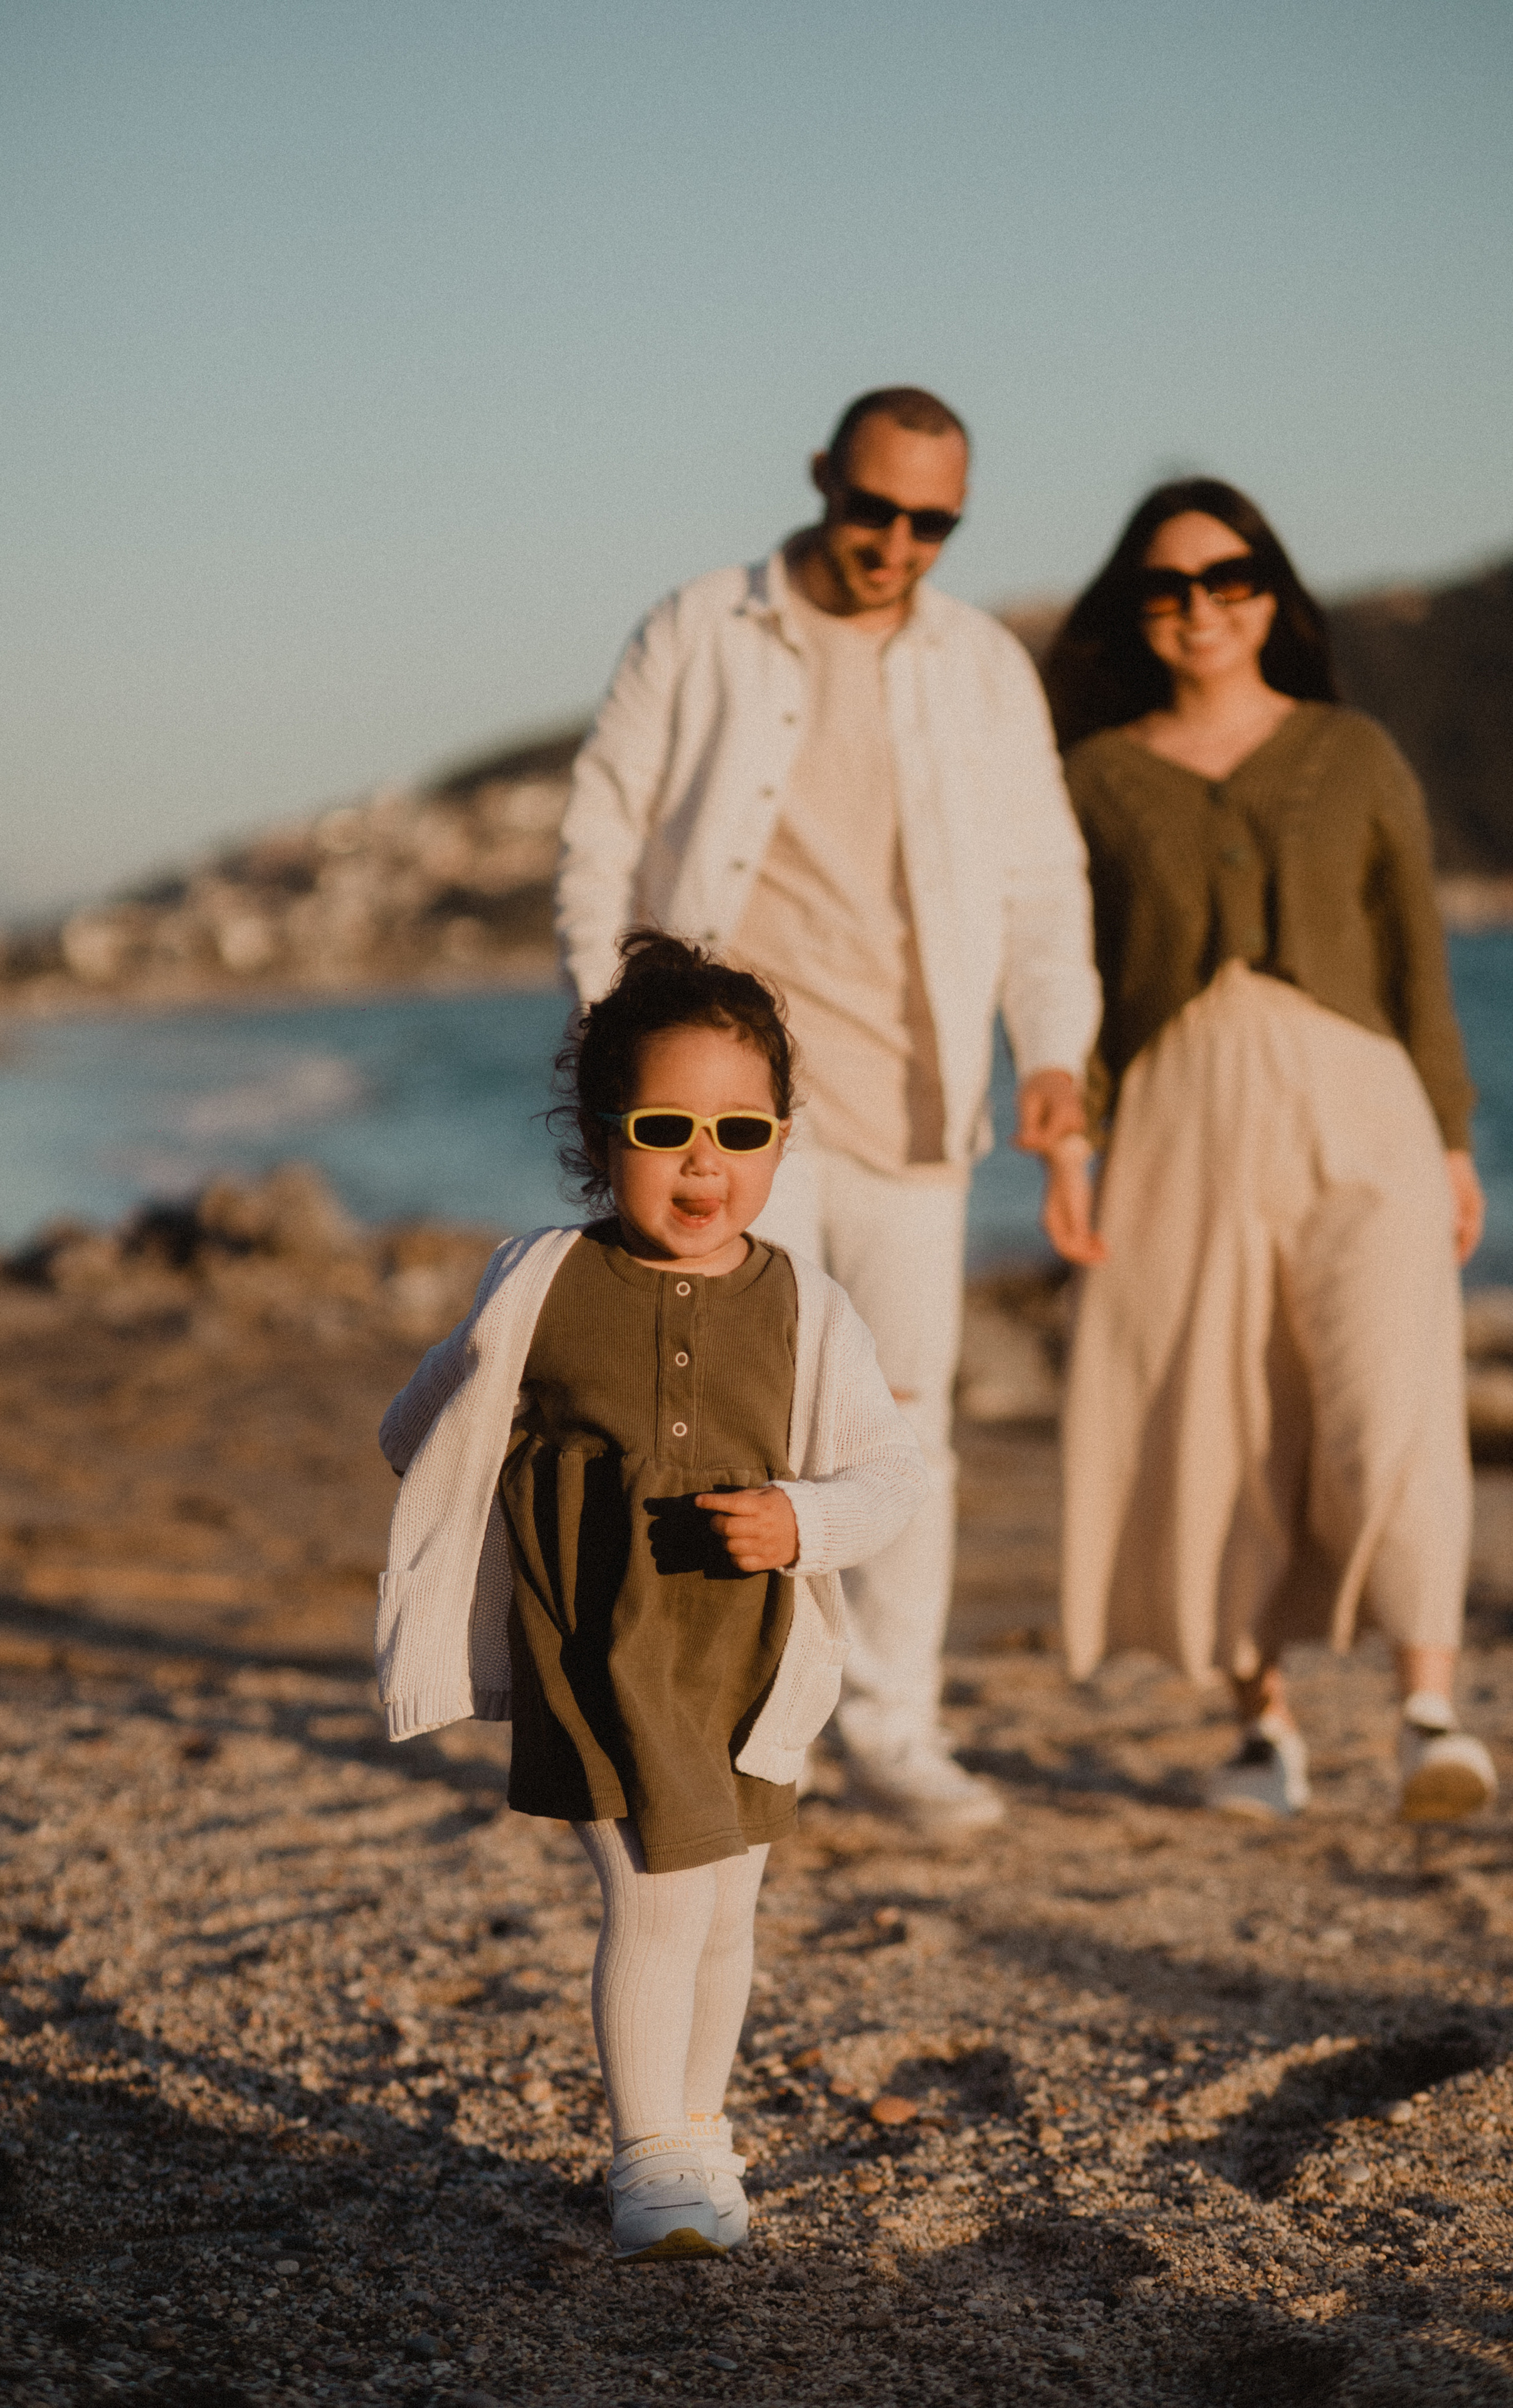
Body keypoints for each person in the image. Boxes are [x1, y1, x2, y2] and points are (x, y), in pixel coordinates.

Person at [556, 387, 1101, 1830]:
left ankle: (897, 1728)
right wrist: (610, 1030)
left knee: (901, 1425)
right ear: (819, 480)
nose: (897, 542)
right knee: (732, 1422)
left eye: (933, 522)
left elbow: (1043, 880)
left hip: (917, 1104)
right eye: (875, 509)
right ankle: (738, 1722)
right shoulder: (701, 627)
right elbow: (603, 818)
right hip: (731, 1115)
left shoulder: (981, 665)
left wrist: (1055, 1049)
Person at [375, 933, 927, 2259]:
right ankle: (647, 2160)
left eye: (738, 1129)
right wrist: (509, 1499)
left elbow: (890, 1472)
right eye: (664, 1126)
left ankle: (693, 2122)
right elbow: (416, 1429)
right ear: (598, 1134)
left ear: (782, 1143)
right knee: (658, 1897)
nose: (702, 1161)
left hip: (739, 1657)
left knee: (729, 1900)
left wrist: (801, 1519)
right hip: (593, 1651)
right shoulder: (542, 1286)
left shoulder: (807, 1304)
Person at [1044, 477, 1496, 1820]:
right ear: (1136, 610)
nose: (1199, 608)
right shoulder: (1093, 779)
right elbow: (1070, 988)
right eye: (1167, 588)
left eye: (1227, 578)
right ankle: (1263, 1735)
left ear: (1270, 592)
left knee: (1391, 1391)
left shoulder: (1350, 752)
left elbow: (1419, 966)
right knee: (1213, 1413)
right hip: (1174, 1121)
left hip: (1361, 1112)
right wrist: (1069, 1146)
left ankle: (1426, 1714)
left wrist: (1455, 1141)